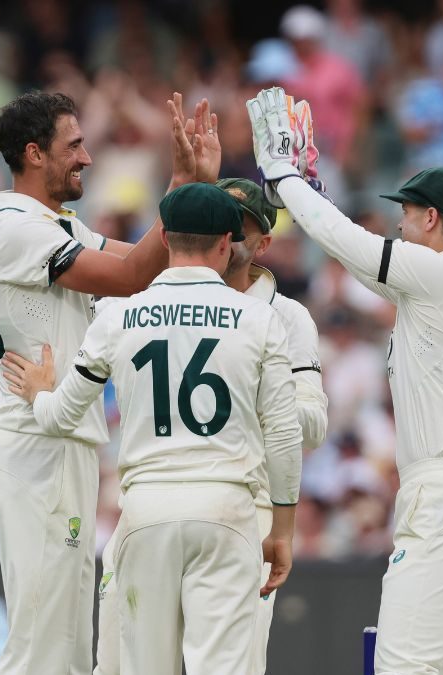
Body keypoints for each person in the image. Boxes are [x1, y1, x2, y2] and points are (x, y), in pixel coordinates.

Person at [0, 90, 219, 674]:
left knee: (69, 649)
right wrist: (179, 182)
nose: (87, 158)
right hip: (36, 448)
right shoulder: (18, 229)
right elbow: (130, 276)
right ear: (34, 154)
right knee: (41, 648)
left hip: (61, 443)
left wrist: (193, 187)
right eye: (73, 145)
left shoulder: (55, 225)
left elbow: (158, 264)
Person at [248, 87, 443, 675]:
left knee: (400, 667)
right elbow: (351, 256)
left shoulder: (442, 277)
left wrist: (283, 178)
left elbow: (353, 244)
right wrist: (310, 192)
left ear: (432, 218)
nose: (399, 220)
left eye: (407, 212)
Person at [0, 182, 303, 675]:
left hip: (146, 510)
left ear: (164, 239)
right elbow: (286, 435)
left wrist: (38, 392)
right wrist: (283, 530)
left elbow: (58, 417)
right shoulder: (260, 318)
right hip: (227, 507)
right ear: (226, 244)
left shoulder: (117, 315)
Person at [93, 178, 328, 675]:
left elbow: (311, 426)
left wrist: (258, 398)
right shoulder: (149, 303)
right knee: (115, 659)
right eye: (221, 220)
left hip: (247, 503)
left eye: (241, 226)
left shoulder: (286, 316)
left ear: (262, 242)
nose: (229, 233)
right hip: (151, 497)